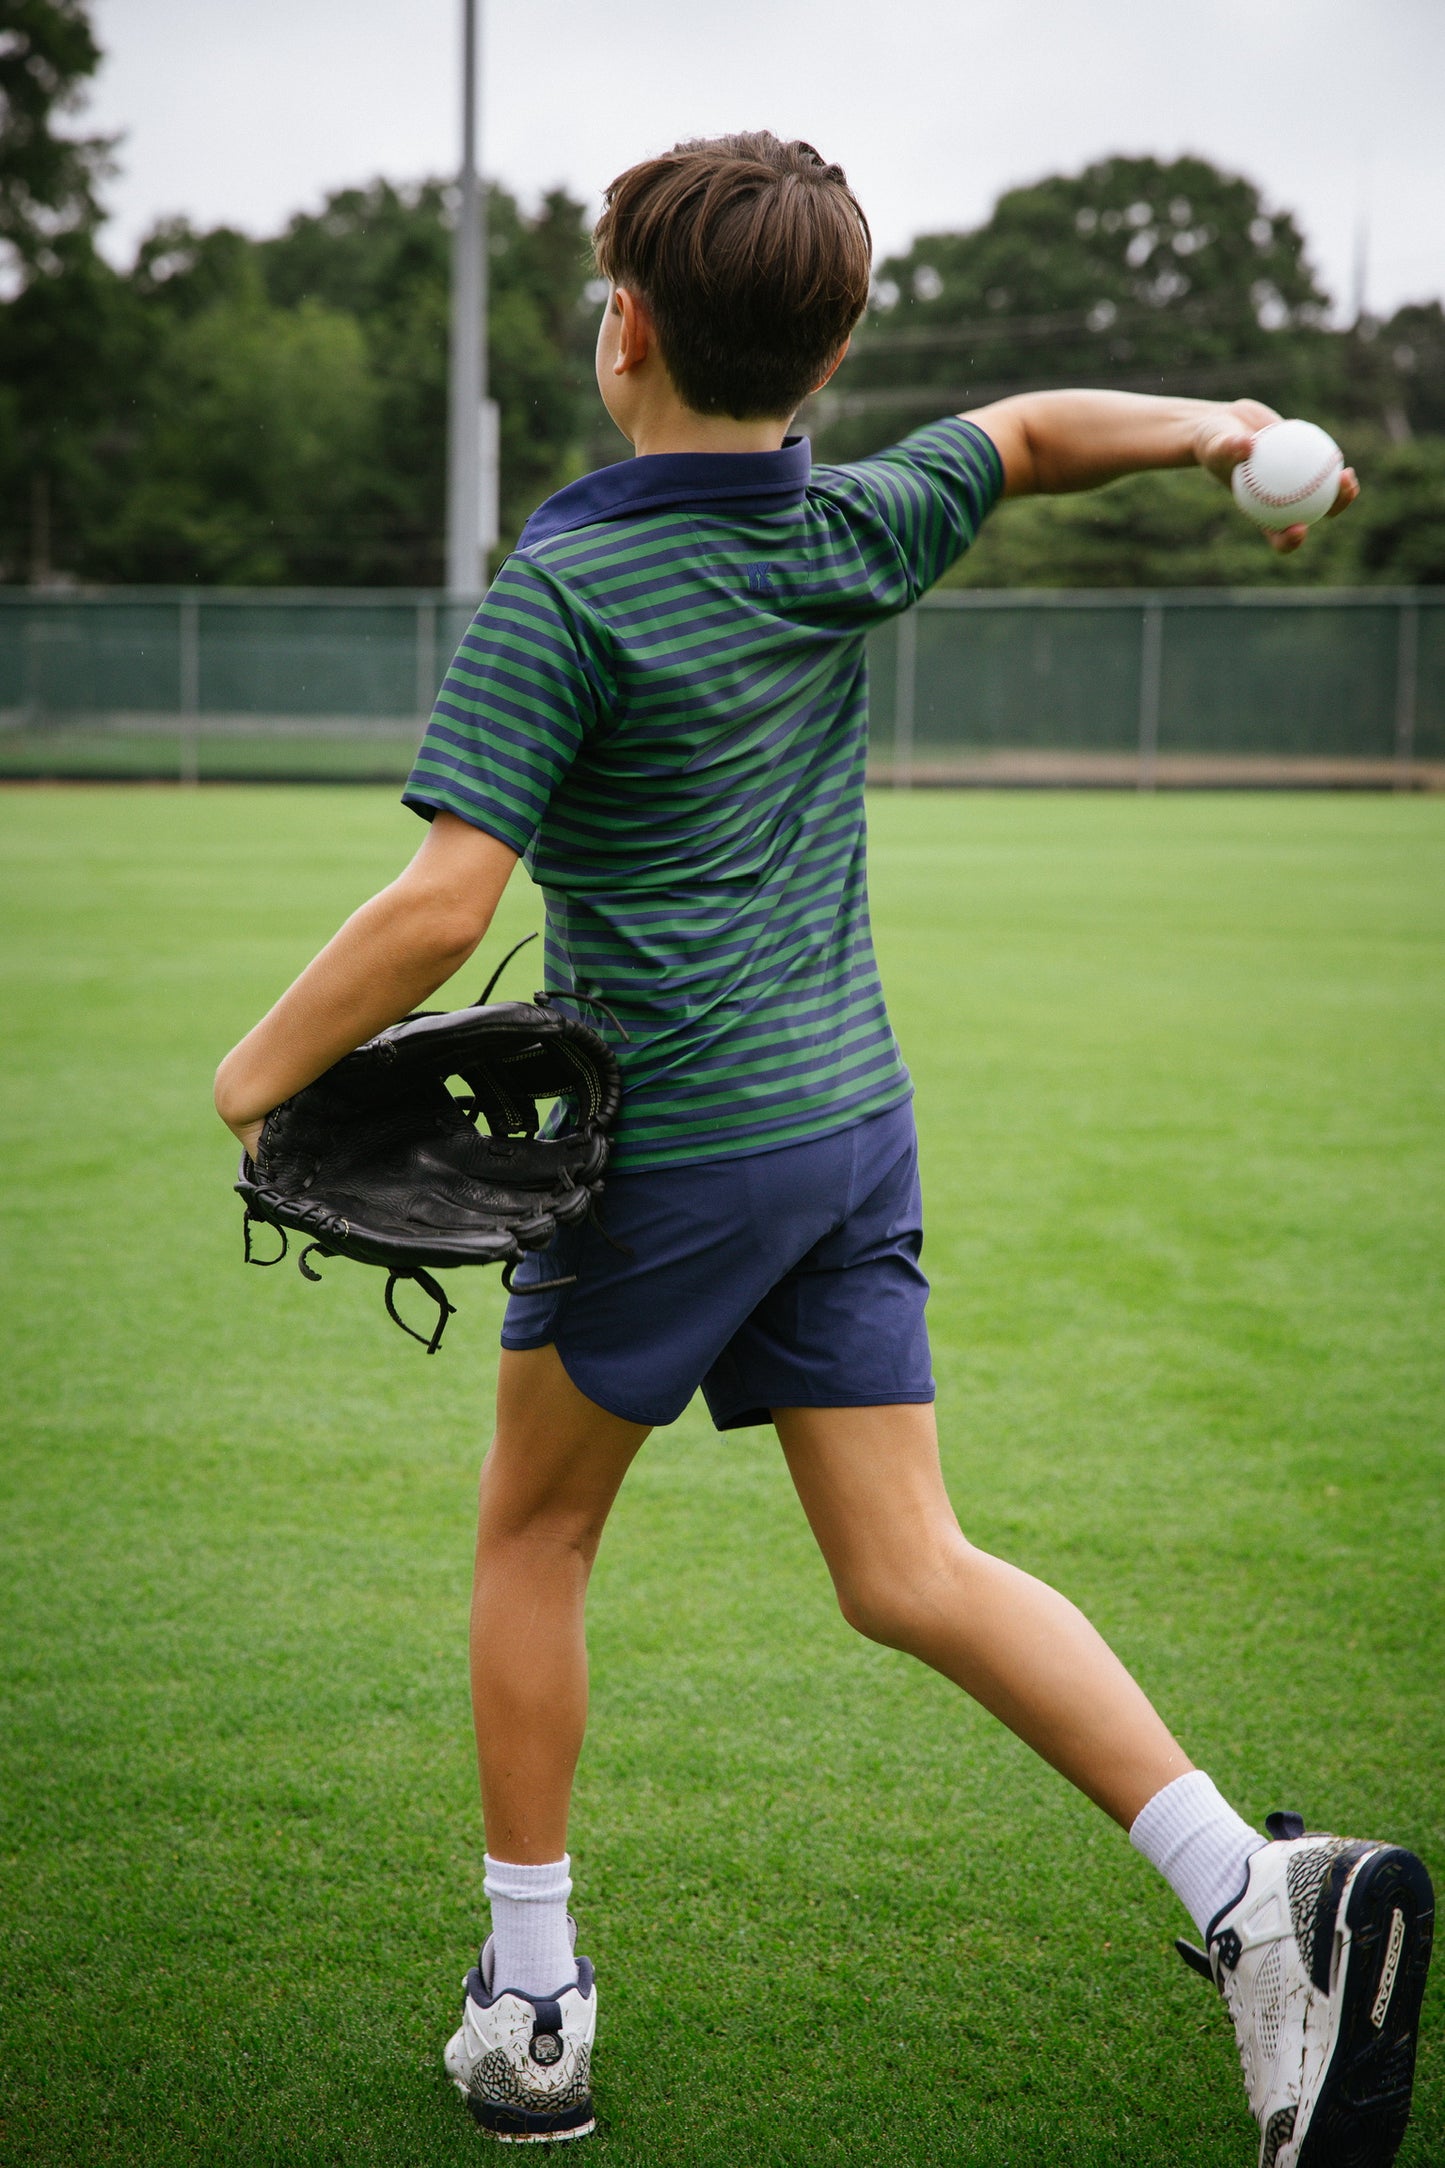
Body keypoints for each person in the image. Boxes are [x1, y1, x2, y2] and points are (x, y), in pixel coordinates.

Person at [214, 133, 1432, 2165]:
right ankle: (1257, 1896)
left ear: (622, 331)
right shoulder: (852, 521)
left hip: (676, 1153)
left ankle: (532, 2004)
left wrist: (253, 1073)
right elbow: (1027, 434)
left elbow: (442, 908)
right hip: (848, 1127)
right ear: (838, 350)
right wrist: (1216, 429)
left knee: (534, 1539)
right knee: (906, 1566)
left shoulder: (570, 581)